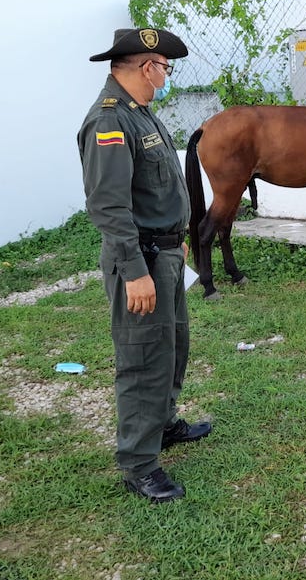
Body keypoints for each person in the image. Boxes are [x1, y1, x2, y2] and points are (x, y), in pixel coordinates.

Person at [78, 27, 211, 503]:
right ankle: (139, 464)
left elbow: (161, 188)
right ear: (145, 67)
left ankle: (163, 424)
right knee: (142, 359)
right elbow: (109, 207)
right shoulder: (109, 122)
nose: (166, 76)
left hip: (167, 255)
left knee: (172, 346)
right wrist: (134, 272)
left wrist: (180, 242)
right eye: (165, 68)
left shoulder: (141, 116)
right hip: (143, 261)